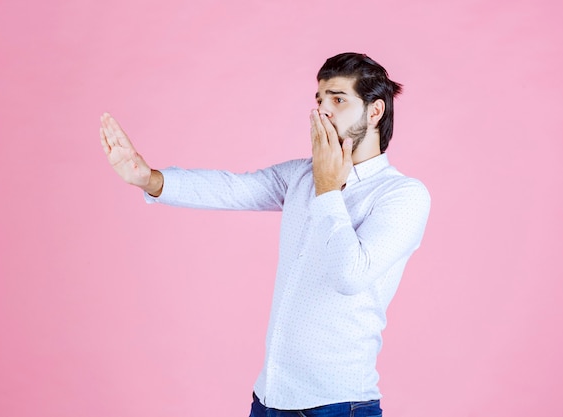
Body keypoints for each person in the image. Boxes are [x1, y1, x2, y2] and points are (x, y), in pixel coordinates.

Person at [100, 52, 430, 417]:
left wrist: (328, 189)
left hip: (338, 406)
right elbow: (232, 189)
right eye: (319, 100)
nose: (324, 111)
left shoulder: (402, 195)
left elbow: (349, 275)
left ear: (374, 112)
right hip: (269, 400)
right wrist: (149, 178)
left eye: (338, 99)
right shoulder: (302, 176)